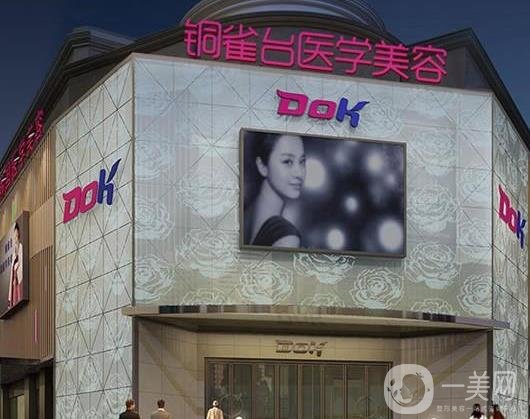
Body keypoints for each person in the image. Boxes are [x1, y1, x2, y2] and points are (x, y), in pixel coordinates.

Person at [244, 133, 306, 247]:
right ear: (262, 166)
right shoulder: (287, 238)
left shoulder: (243, 215)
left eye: (302, 161)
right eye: (287, 161)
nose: (299, 173)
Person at [7, 223, 23, 309]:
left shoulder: (20, 247)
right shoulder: (13, 252)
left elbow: (20, 261)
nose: (15, 237)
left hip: (18, 277)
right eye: (14, 235)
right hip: (14, 277)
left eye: (16, 235)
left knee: (18, 293)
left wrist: (17, 266)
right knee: (13, 294)